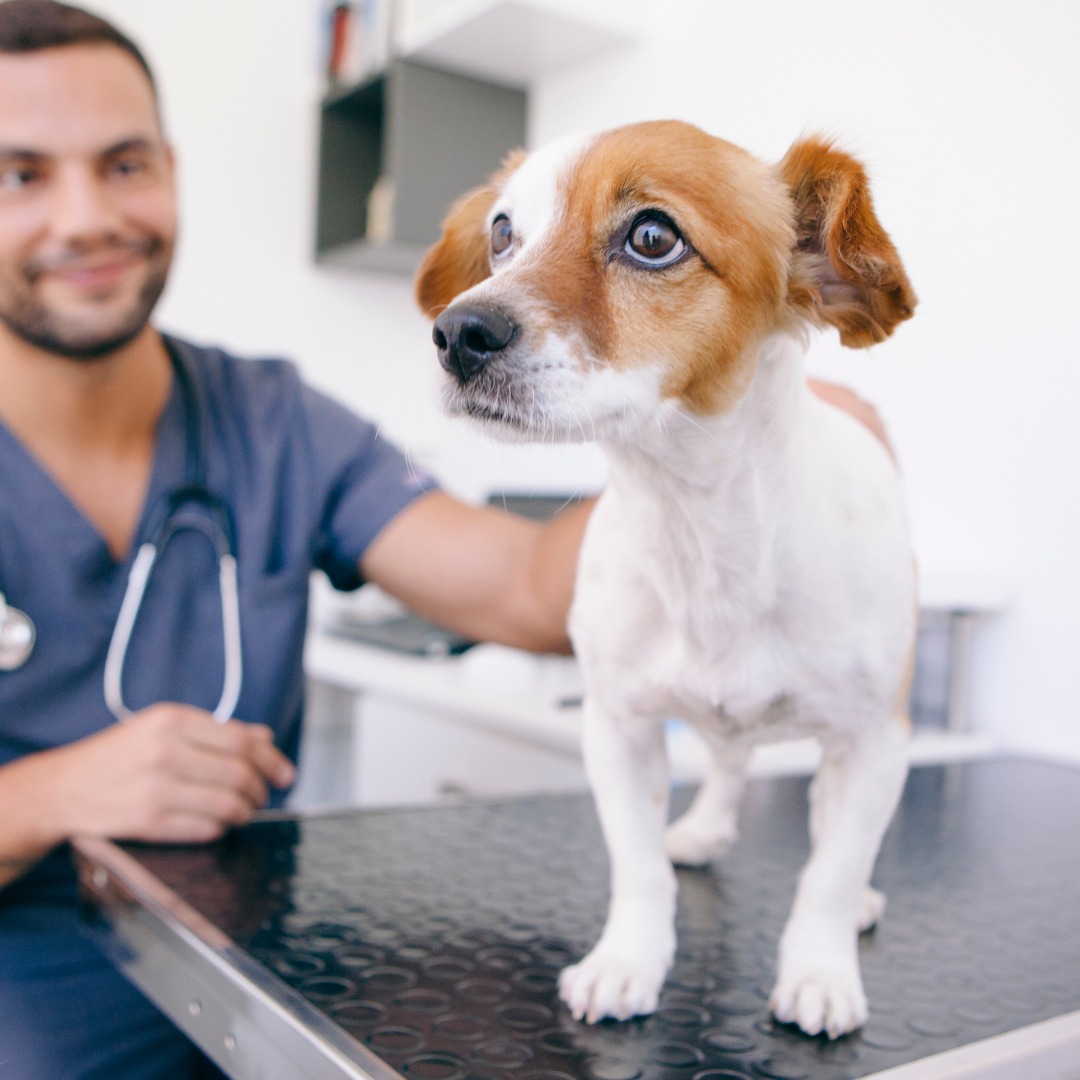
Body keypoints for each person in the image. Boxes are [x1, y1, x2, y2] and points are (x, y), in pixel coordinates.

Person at [0, 3, 893, 1077]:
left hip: (249, 974)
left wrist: (735, 471)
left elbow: (520, 585)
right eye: (21, 174)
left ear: (171, 171)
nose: (87, 215)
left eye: (125, 162)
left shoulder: (273, 421)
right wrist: (49, 796)